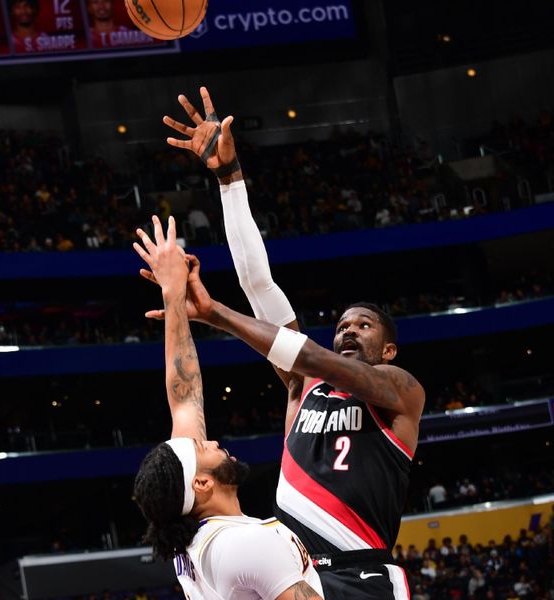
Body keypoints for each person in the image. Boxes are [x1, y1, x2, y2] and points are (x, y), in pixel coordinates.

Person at [153, 87, 426, 599]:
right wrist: (228, 178)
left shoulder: (399, 389)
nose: (348, 329)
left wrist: (213, 313)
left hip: (361, 575)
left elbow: (310, 355)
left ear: (388, 350)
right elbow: (259, 284)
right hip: (289, 567)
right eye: (343, 323)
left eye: (364, 325)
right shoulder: (305, 381)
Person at [132, 216, 324, 600]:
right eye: (205, 448)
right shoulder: (245, 545)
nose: (213, 442)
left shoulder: (193, 538)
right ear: (201, 484)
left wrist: (173, 296)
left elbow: (184, 396)